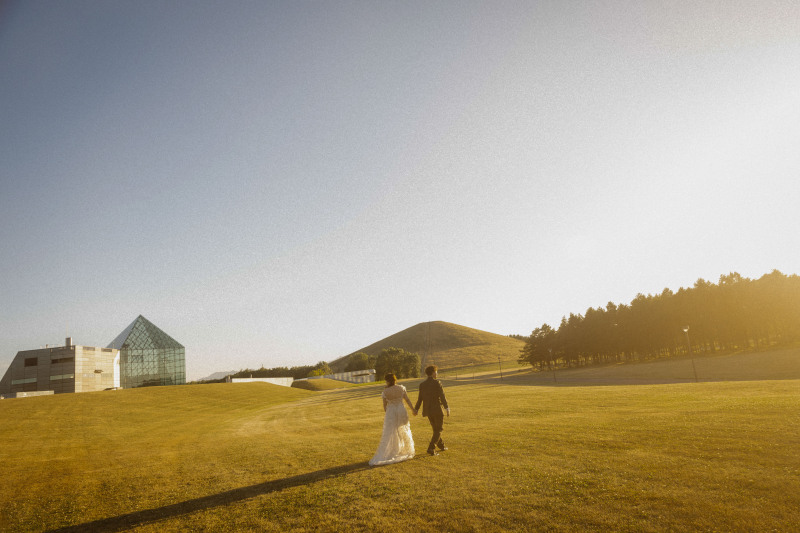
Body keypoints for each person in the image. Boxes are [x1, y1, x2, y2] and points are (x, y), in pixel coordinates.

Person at [368, 373, 416, 466]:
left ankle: (392, 451)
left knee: (390, 432)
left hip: (391, 412)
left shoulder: (385, 392)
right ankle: (406, 450)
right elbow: (407, 400)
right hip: (401, 410)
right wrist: (413, 409)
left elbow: (384, 406)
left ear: (388, 381)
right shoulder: (401, 388)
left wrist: (388, 412)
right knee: (404, 429)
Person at [413, 364, 450, 456]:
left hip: (428, 411)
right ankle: (431, 448)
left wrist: (416, 409)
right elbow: (442, 396)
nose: (437, 373)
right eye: (436, 372)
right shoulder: (437, 383)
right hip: (437, 410)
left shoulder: (422, 385)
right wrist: (447, 408)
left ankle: (441, 446)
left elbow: (420, 398)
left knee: (435, 430)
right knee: (439, 429)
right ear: (433, 373)